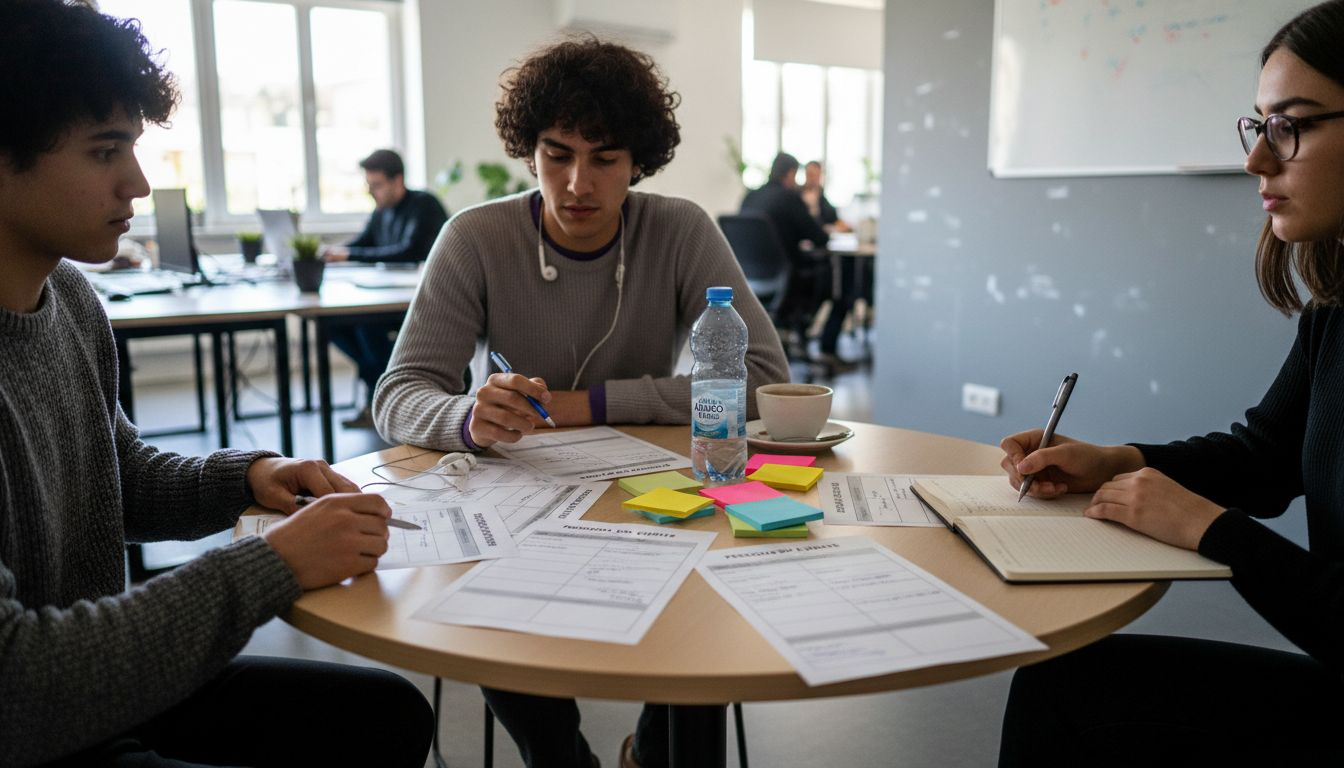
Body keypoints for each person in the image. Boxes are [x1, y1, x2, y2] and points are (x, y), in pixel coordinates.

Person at [0, 3, 433, 766]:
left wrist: (249, 478)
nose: (136, 182)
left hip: (97, 691)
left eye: (133, 147)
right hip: (42, 722)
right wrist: (274, 564)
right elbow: (17, 687)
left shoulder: (68, 298)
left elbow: (117, 475)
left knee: (388, 714)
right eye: (106, 152)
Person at [374, 37, 789, 768]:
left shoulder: (679, 229)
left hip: (656, 490)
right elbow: (399, 395)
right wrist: (466, 417)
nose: (577, 183)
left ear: (638, 162)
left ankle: (654, 753)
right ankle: (562, 758)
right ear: (527, 151)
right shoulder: (476, 238)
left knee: (708, 598)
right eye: (556, 153)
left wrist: (590, 403)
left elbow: (761, 375)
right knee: (487, 602)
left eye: (605, 158)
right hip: (516, 494)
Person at [997, 2, 1344, 764]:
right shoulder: (1334, 314)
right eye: (1258, 125)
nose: (1258, 160)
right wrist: (1119, 461)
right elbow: (1263, 458)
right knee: (1061, 680)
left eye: (1292, 124)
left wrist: (1210, 528)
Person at [323, 148, 449, 429]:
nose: (372, 192)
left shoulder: (424, 205)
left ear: (397, 180)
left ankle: (384, 398)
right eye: (369, 186)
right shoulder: (381, 213)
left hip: (419, 303)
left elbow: (408, 250)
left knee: (366, 327)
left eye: (377, 185)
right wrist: (338, 251)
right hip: (385, 297)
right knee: (332, 324)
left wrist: (349, 255)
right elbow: (364, 242)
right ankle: (380, 388)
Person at [741, 153, 853, 368]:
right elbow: (819, 237)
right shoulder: (789, 197)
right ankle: (820, 343)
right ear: (791, 173)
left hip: (751, 278)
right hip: (789, 278)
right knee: (841, 283)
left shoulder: (750, 197)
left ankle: (794, 334)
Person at [800, 160, 849, 232]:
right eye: (811, 175)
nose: (813, 179)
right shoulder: (798, 196)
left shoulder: (821, 196)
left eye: (817, 176)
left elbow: (832, 216)